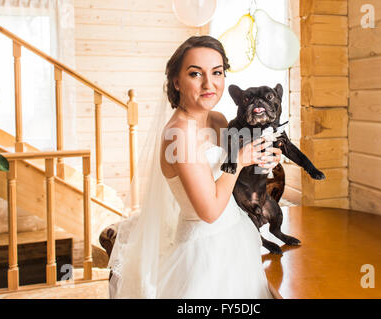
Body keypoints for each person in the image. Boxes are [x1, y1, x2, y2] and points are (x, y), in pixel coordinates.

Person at [107, 35, 283, 299]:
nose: (209, 83)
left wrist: (265, 156)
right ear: (177, 81)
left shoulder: (217, 119)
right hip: (203, 253)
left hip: (236, 237)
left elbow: (235, 174)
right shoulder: (178, 135)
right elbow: (209, 210)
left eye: (217, 72)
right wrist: (242, 160)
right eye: (195, 74)